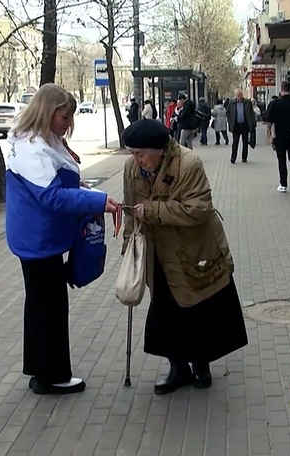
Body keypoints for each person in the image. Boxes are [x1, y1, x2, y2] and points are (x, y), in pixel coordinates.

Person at [5, 83, 120, 395]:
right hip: (39, 239)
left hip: (35, 235)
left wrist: (83, 190)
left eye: (69, 117)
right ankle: (51, 376)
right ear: (46, 111)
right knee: (50, 308)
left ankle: (40, 370)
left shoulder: (34, 138)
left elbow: (56, 183)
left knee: (41, 305)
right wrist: (97, 201)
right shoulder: (32, 148)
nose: (68, 123)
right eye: (63, 117)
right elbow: (52, 197)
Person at [120, 119, 249, 395]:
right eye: (132, 153)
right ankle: (177, 367)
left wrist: (154, 211)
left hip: (192, 250)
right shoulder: (132, 168)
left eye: (140, 153)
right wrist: (130, 246)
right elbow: (131, 209)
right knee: (165, 312)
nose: (137, 160)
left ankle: (201, 363)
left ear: (159, 149)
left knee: (198, 308)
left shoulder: (188, 164)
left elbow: (199, 208)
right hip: (157, 254)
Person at [228, 89, 257, 163]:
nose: (239, 97)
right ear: (236, 95)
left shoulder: (247, 102)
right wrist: (230, 122)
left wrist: (253, 123)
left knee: (245, 142)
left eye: (240, 95)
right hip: (236, 125)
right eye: (238, 95)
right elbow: (228, 113)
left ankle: (244, 157)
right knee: (235, 143)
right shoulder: (232, 103)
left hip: (245, 125)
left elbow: (251, 114)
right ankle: (233, 158)